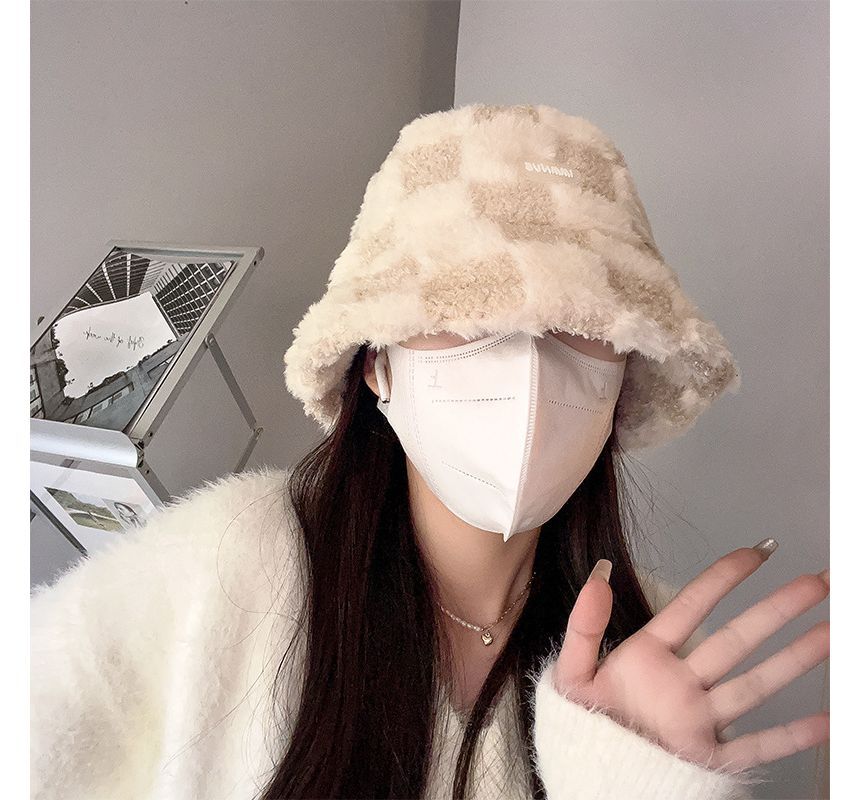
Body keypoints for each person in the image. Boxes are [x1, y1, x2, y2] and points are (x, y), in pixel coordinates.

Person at [30, 103, 829, 800]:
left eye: (576, 322)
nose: (526, 361)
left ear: (626, 373)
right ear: (374, 363)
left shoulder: (654, 657)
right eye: (468, 309)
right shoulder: (217, 568)